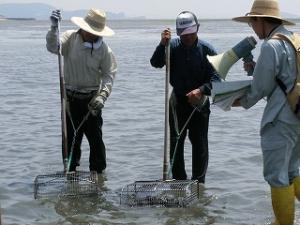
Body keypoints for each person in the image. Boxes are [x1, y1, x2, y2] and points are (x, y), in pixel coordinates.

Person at [232, 0, 300, 224]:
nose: (251, 26)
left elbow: (260, 89)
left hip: (279, 120)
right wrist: (256, 69)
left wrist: (237, 101)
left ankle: (284, 223)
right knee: (292, 171)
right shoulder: (295, 39)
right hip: (297, 115)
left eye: (252, 21)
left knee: (276, 177)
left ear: (261, 20)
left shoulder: (270, 46)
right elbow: (284, 76)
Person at [150, 11, 220, 183]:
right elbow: (156, 63)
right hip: (178, 102)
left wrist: (201, 90)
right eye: (183, 34)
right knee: (176, 141)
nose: (187, 37)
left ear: (197, 29)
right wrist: (162, 45)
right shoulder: (171, 47)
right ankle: (179, 180)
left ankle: (199, 182)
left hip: (200, 102)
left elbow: (217, 79)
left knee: (200, 143)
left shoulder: (208, 49)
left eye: (190, 33)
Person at [46, 9, 117, 174]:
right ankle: (70, 174)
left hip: (91, 101)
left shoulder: (104, 50)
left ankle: (99, 179)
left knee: (96, 141)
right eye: (90, 30)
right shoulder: (69, 38)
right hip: (69, 99)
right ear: (83, 27)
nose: (92, 34)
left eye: (96, 32)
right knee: (70, 141)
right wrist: (53, 29)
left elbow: (109, 75)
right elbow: (53, 47)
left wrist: (103, 95)